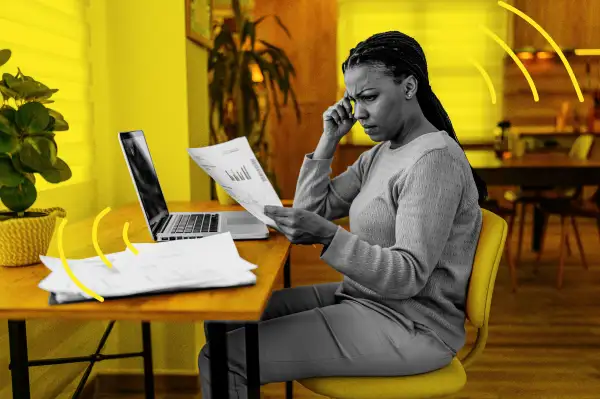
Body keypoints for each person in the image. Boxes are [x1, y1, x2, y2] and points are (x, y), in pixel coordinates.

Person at [198, 30, 487, 398]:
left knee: (220, 359)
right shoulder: (382, 153)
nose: (359, 112)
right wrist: (327, 141)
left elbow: (407, 276)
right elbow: (308, 213)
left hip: (412, 325)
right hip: (367, 300)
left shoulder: (434, 162)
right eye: (353, 100)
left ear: (410, 86)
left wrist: (328, 236)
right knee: (223, 319)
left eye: (369, 97)